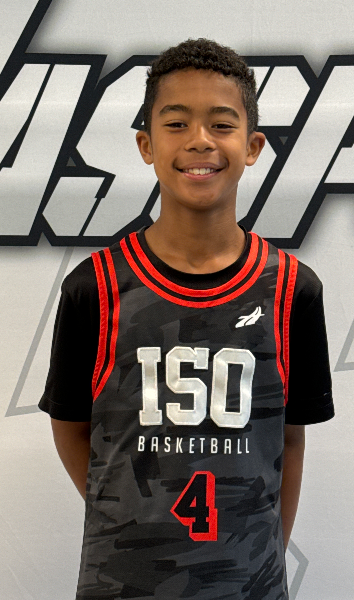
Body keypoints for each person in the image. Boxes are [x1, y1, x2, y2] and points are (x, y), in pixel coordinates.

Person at [39, 38, 334, 600]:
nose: (200, 139)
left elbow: (289, 440)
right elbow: (70, 427)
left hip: (250, 585)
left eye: (221, 124)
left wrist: (261, 552)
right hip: (122, 584)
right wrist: (129, 517)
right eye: (176, 124)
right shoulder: (94, 288)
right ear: (146, 145)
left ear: (252, 146)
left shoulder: (293, 290)